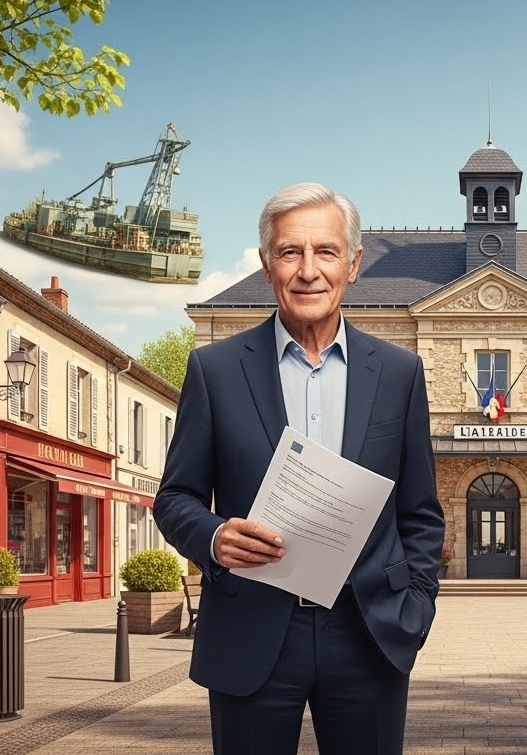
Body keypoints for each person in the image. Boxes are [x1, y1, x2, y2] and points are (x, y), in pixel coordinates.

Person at [154, 182, 445, 755]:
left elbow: (421, 513)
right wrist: (213, 537)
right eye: (291, 252)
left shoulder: (399, 374)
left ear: (353, 264)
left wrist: (416, 607)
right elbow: (174, 497)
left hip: (369, 632)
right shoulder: (214, 370)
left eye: (326, 252)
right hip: (252, 631)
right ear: (267, 265)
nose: (308, 270)